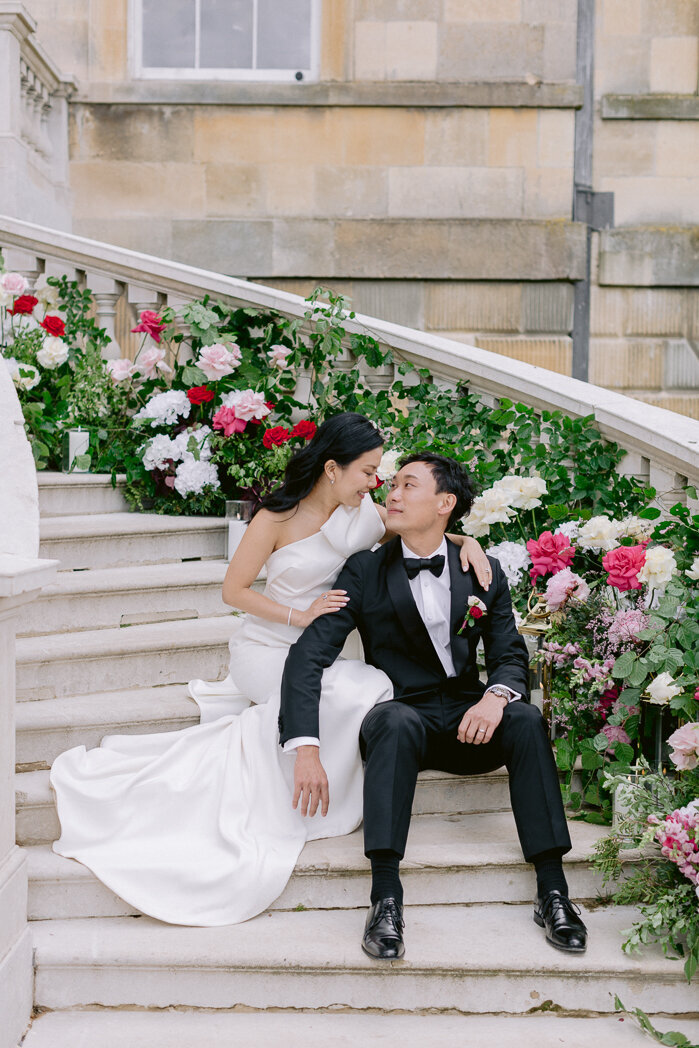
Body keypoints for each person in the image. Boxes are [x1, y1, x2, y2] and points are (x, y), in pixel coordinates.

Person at [50, 414, 490, 926]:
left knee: (369, 687)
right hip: (267, 646)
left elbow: (419, 536)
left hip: (327, 650)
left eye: (379, 474)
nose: (376, 483)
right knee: (320, 696)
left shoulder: (367, 515)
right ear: (332, 469)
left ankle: (327, 789)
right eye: (368, 471)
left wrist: (466, 542)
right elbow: (233, 591)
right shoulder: (275, 519)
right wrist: (297, 616)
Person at [280, 451, 587, 959]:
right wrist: (306, 747)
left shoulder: (481, 570)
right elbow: (308, 657)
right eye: (392, 485)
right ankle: (385, 899)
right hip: (403, 719)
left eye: (408, 485)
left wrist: (494, 697)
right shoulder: (363, 571)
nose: (392, 495)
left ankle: (553, 891)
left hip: (472, 718)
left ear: (445, 503)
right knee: (395, 722)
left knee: (527, 719)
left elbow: (510, 653)